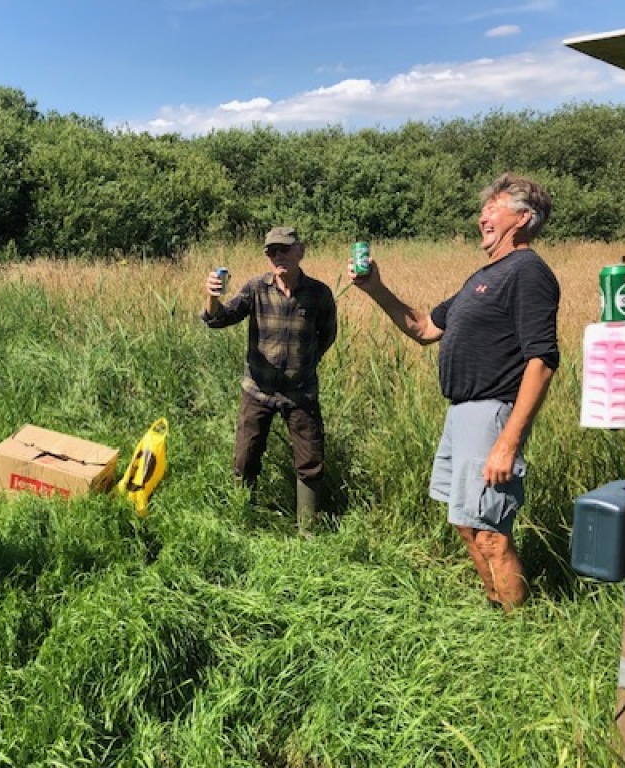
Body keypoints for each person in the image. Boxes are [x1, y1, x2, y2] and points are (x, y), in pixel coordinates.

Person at [350, 173, 559, 612]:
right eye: (484, 209)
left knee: (491, 533)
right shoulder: (483, 277)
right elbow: (424, 328)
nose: (483, 216)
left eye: (493, 208)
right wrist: (374, 288)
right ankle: (495, 610)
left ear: (523, 218)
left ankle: (519, 629)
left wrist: (508, 442)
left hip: (492, 414)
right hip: (462, 414)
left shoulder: (527, 272)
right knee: (467, 523)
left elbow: (542, 361)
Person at [202, 226, 338, 535]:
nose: (278, 256)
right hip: (258, 391)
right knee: (245, 458)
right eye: (271, 251)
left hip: (301, 393)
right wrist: (211, 296)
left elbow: (327, 335)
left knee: (310, 460)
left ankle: (307, 531)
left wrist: (305, 364)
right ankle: (242, 521)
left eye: (284, 249)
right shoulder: (256, 289)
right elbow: (219, 319)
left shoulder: (319, 294)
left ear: (300, 251)